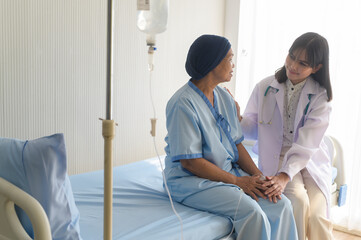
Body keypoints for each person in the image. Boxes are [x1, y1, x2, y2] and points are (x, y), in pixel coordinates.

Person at [163, 34, 298, 240]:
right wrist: (237, 181)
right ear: (213, 62)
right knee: (252, 213)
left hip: (226, 173)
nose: (233, 65)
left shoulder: (224, 97)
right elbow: (190, 162)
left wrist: (260, 178)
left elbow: (237, 144)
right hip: (191, 180)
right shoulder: (182, 103)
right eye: (229, 59)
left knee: (281, 204)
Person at [240, 32, 333, 240]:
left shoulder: (320, 96)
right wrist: (237, 119)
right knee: (298, 202)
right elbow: (253, 129)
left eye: (302, 63)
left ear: (316, 68)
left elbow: (306, 145)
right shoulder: (265, 87)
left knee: (318, 217)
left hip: (311, 157)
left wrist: (284, 176)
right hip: (278, 155)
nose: (293, 65)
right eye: (291, 56)